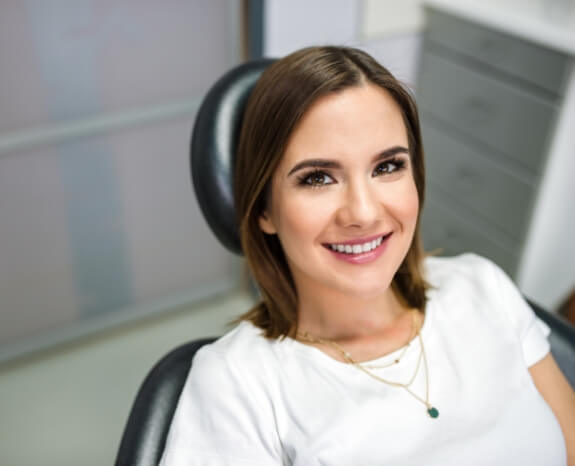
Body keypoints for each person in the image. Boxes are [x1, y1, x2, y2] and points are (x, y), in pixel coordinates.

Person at [160, 46, 575, 465]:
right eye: (318, 178)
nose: (363, 212)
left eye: (387, 167)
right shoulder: (235, 383)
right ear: (264, 208)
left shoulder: (483, 288)